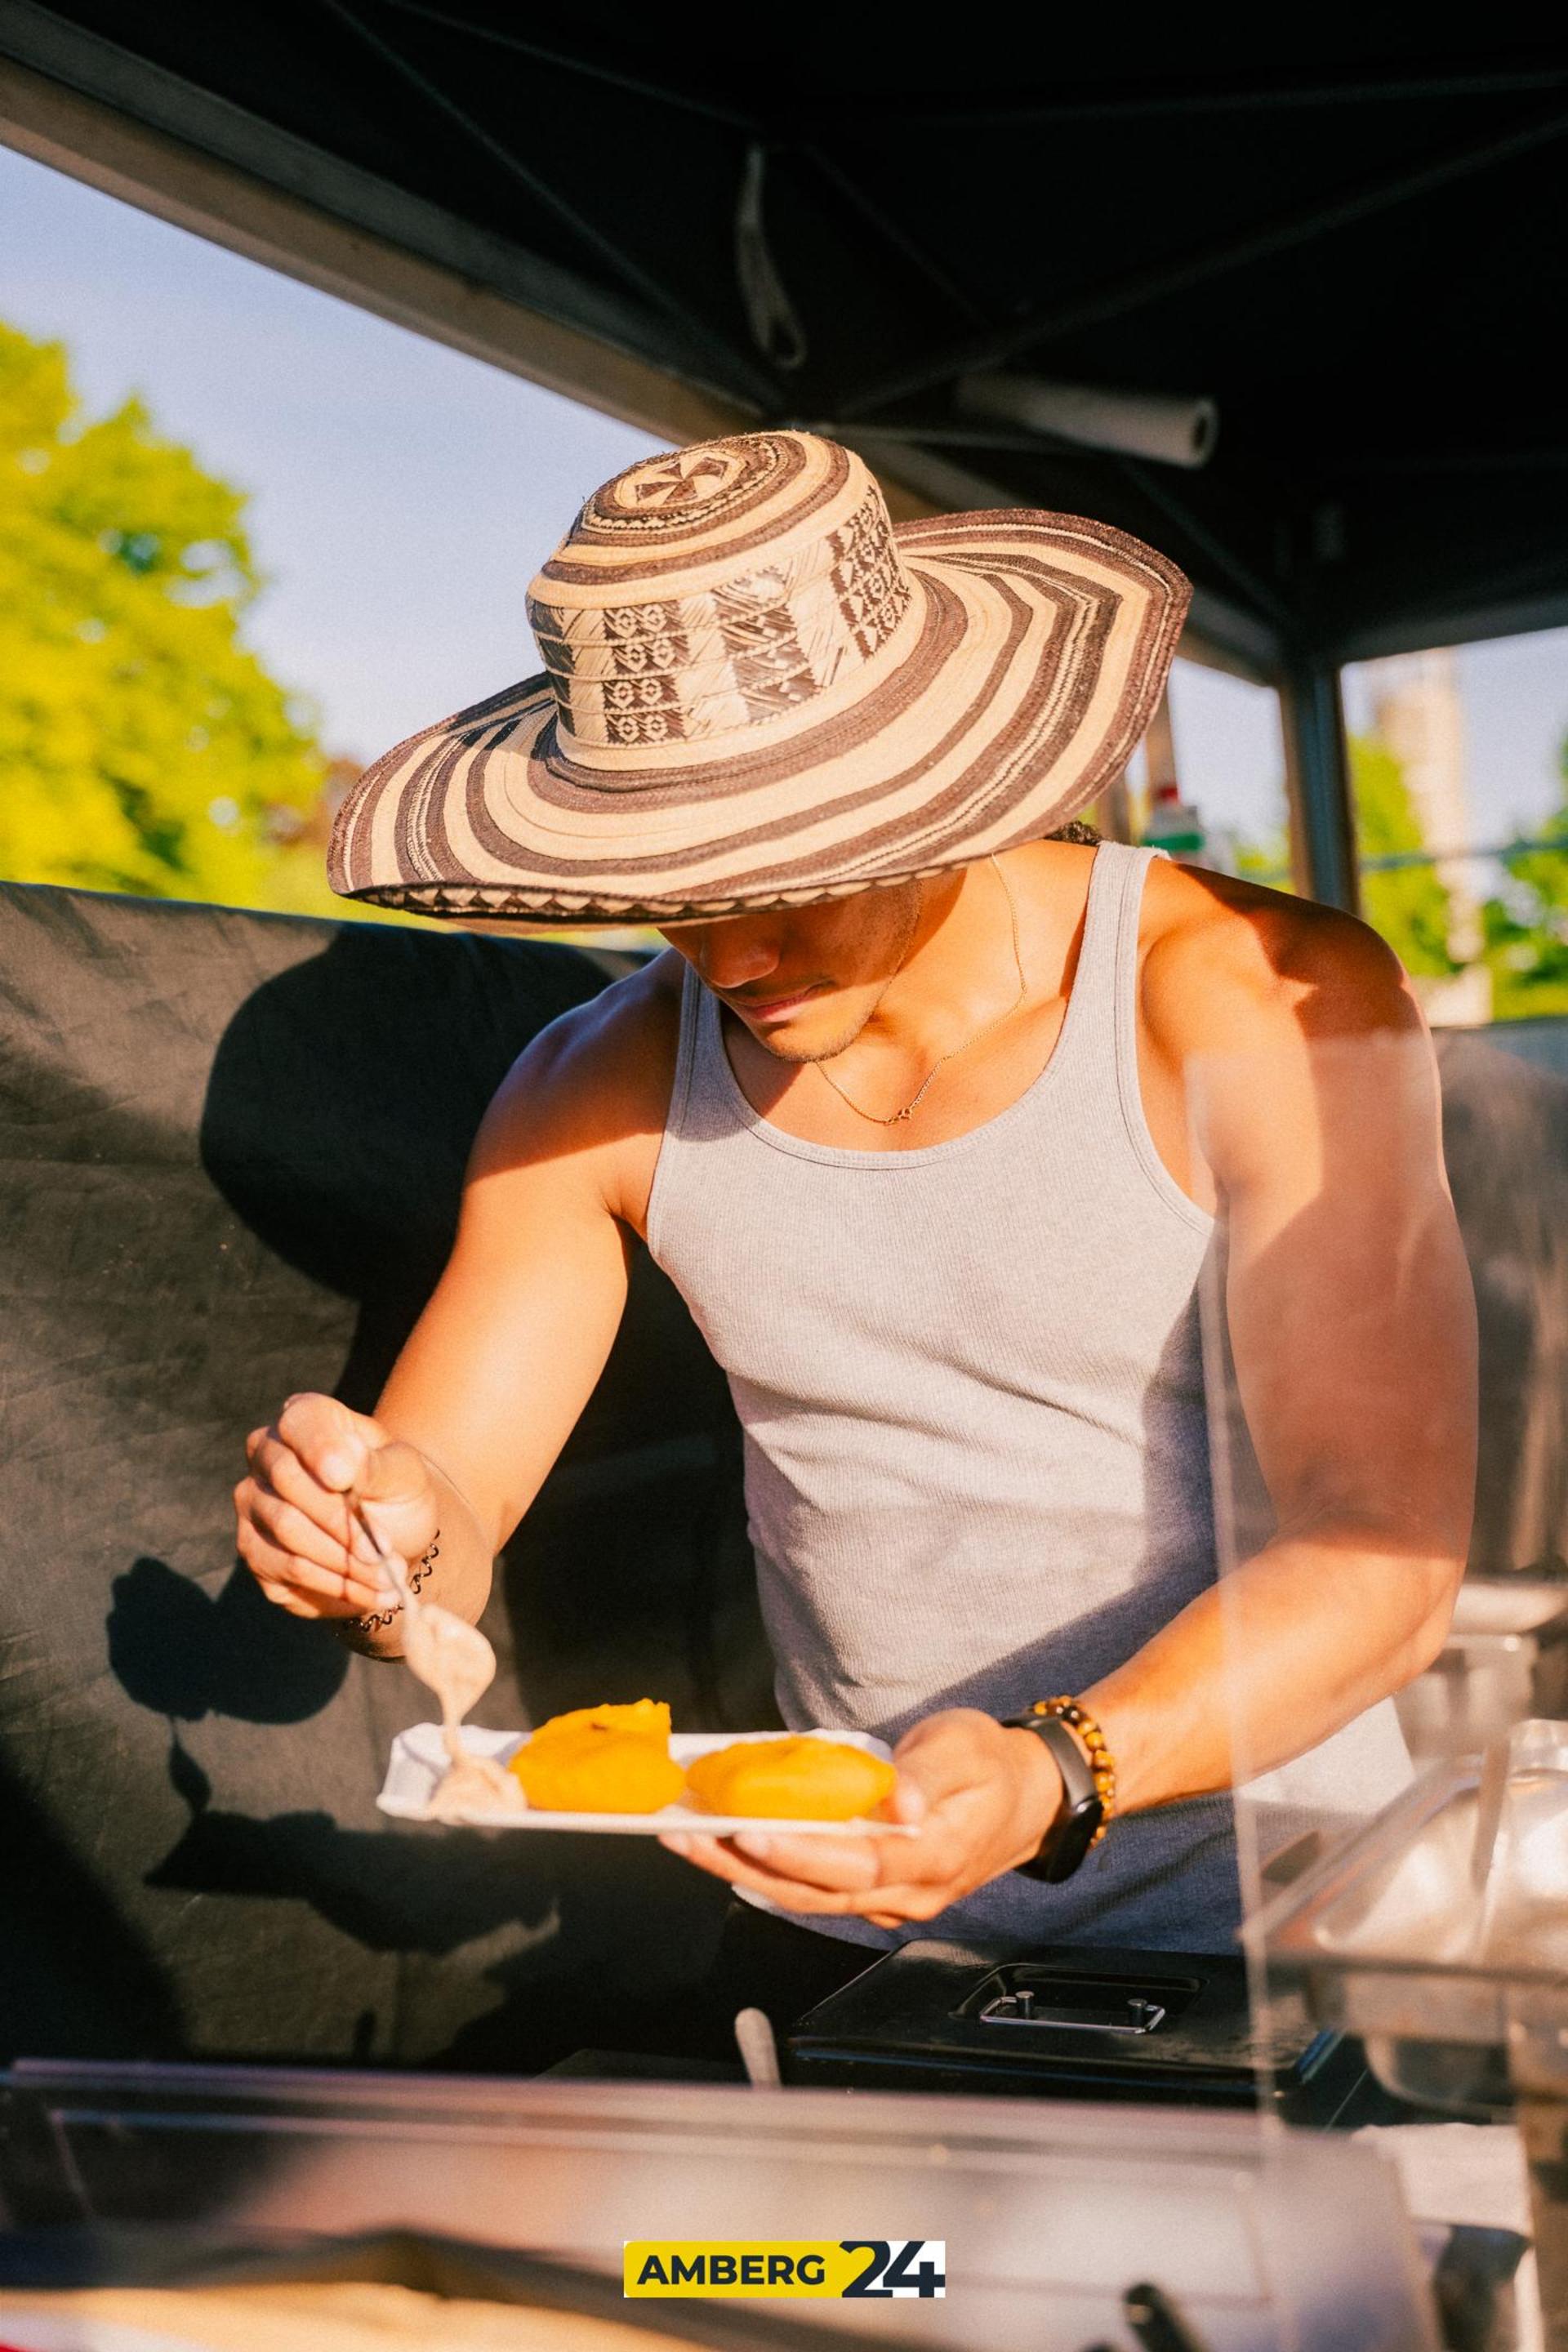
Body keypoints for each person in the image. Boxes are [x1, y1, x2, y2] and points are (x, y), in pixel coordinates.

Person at [234, 433, 1475, 2021]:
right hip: (859, 1947)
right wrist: (373, 1545)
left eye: (787, 867)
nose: (727, 948)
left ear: (939, 781)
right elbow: (447, 1511)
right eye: (670, 879)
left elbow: (1383, 1551)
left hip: (1285, 1936)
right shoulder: (588, 1083)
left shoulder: (1249, 998)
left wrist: (1053, 1771)